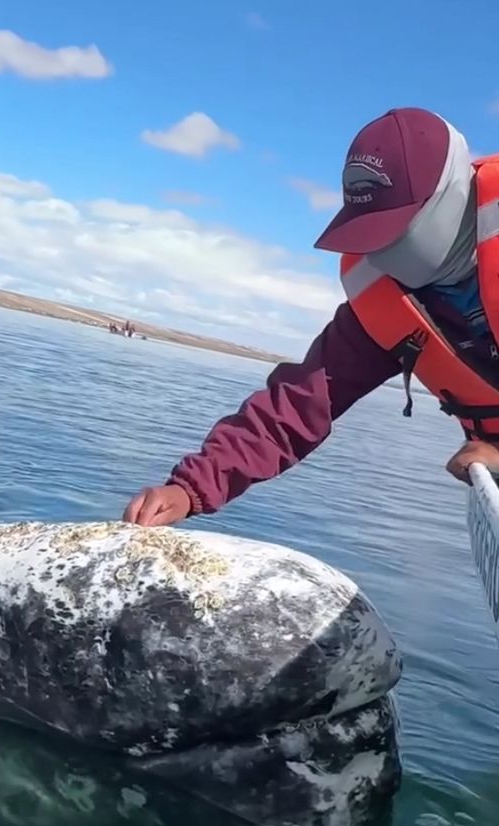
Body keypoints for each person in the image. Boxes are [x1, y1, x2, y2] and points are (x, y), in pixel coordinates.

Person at [123, 107, 499, 527]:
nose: (378, 253)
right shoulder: (384, 301)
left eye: (392, 232)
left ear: (449, 201)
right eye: (369, 235)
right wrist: (190, 488)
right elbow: (297, 404)